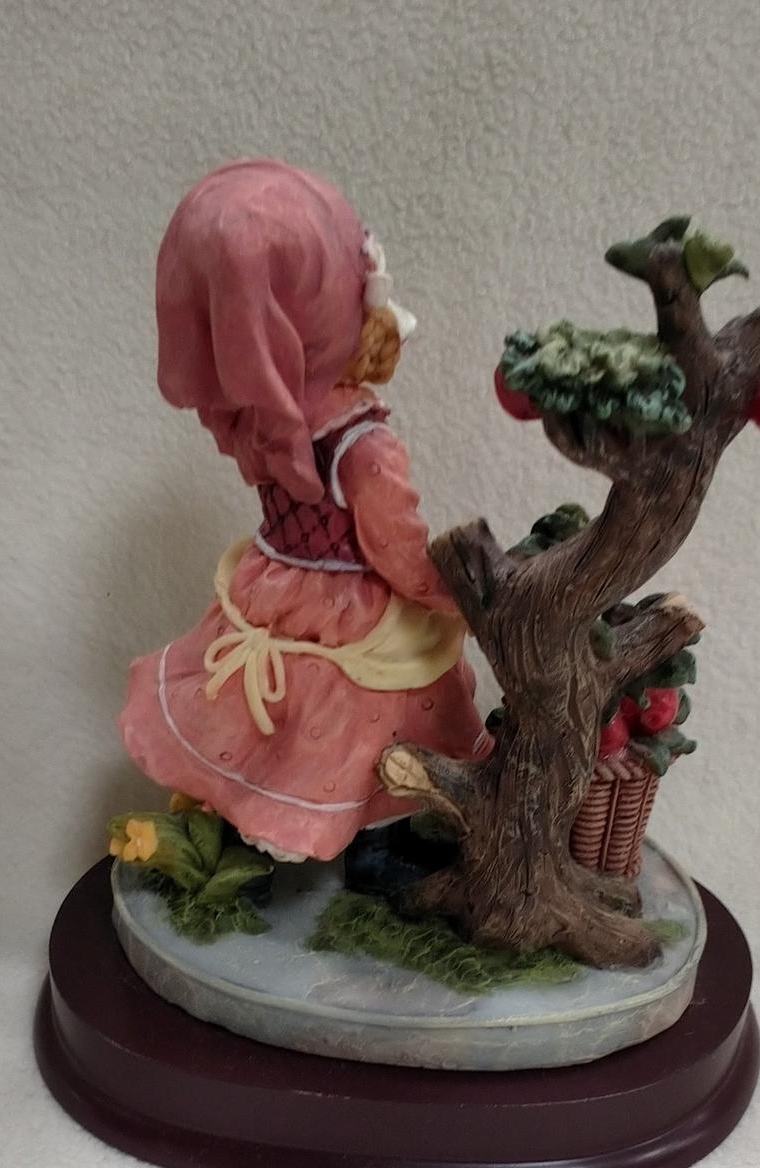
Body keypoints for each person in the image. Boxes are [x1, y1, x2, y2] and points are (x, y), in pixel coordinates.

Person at [119, 160, 490, 866]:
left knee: (282, 720)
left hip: (274, 583)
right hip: (350, 608)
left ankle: (271, 822)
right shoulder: (364, 445)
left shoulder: (263, 424)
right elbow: (399, 552)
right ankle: (349, 841)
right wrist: (454, 595)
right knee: (358, 719)